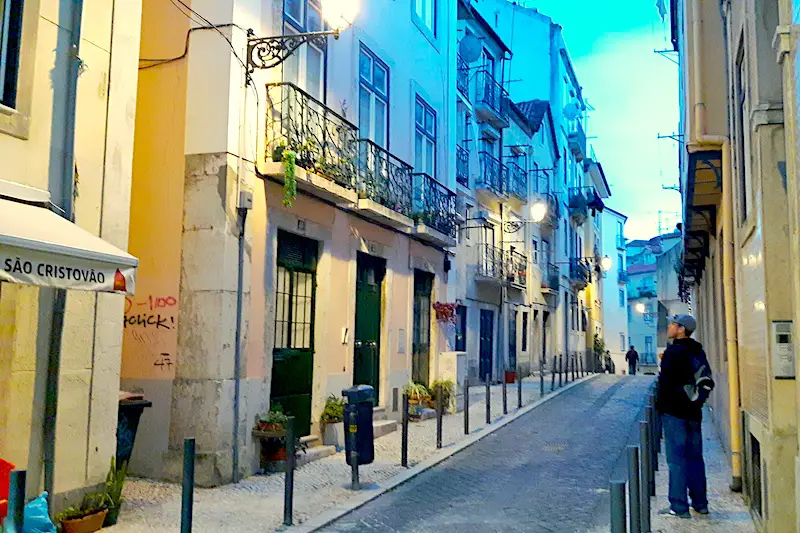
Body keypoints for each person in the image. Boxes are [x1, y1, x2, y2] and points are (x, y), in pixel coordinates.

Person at [656, 314, 711, 519]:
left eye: (672, 324)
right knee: (695, 459)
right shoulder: (697, 350)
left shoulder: (673, 352)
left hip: (674, 413)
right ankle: (700, 503)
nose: (669, 326)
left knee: (676, 460)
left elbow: (667, 384)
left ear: (680, 329)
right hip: (694, 413)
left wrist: (663, 406)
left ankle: (679, 506)